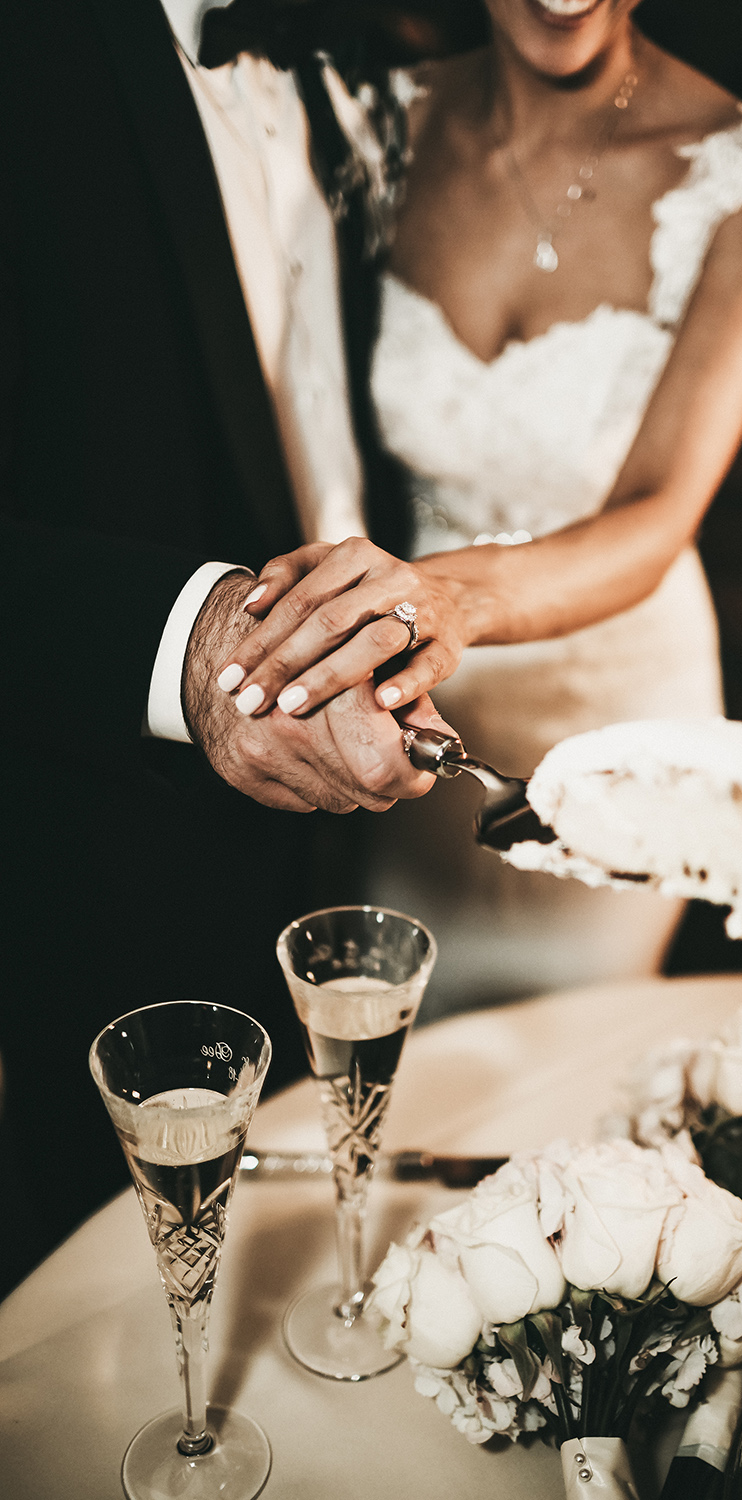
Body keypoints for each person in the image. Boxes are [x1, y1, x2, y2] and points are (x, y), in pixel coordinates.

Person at [208, 0, 742, 1017]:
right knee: (400, 1044)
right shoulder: (368, 122)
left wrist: (441, 604)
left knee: (566, 1058)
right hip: (409, 720)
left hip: (615, 716)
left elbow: (658, 513)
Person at [0, 0, 443, 1294]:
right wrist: (190, 641)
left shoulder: (357, 48)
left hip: (363, 793)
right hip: (114, 819)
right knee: (117, 1284)